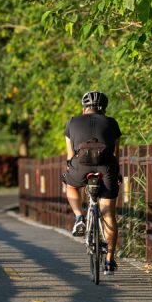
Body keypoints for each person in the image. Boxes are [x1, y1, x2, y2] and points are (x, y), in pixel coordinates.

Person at [62, 91, 122, 275]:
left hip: (80, 166)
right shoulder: (111, 123)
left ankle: (79, 216)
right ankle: (109, 261)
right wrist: (117, 173)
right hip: (106, 169)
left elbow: (70, 155)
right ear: (104, 108)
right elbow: (115, 154)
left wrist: (71, 170)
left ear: (84, 107)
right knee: (109, 215)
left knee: (70, 184)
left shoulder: (72, 122)